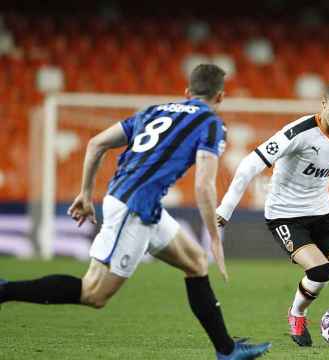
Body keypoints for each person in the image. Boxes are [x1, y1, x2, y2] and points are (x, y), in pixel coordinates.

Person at [0, 64, 271, 359]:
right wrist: (215, 236)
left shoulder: (154, 111)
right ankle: (6, 290)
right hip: (134, 208)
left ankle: (226, 350)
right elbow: (204, 186)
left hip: (138, 201)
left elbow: (96, 144)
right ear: (220, 96)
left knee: (194, 262)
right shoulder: (211, 123)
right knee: (94, 293)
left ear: (187, 92)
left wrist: (86, 194)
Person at [216, 79, 329, 348]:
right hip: (285, 216)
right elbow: (249, 164)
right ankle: (296, 314)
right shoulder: (298, 133)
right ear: (323, 104)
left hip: (323, 214)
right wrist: (226, 209)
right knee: (320, 271)